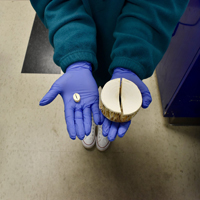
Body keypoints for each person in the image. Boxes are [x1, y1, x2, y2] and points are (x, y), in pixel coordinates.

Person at [30, 0, 189, 151]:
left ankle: (107, 109)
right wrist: (75, 51)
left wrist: (132, 56)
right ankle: (93, 113)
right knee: (89, 80)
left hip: (126, 30)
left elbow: (159, 3)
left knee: (112, 85)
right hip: (79, 22)